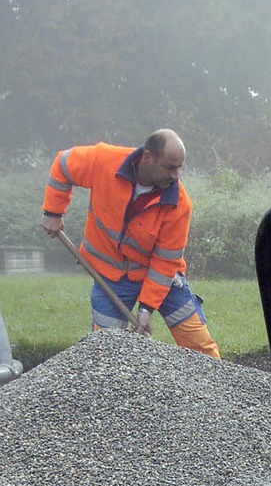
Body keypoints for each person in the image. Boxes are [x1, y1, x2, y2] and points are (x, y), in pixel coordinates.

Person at [41, 129, 220, 358]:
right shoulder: (104, 161)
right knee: (105, 352)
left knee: (199, 344)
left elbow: (166, 262)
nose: (175, 175)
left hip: (160, 279)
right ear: (148, 157)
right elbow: (63, 164)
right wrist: (52, 211)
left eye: (179, 168)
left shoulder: (178, 204)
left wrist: (146, 308)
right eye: (169, 167)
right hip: (110, 277)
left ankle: (220, 390)